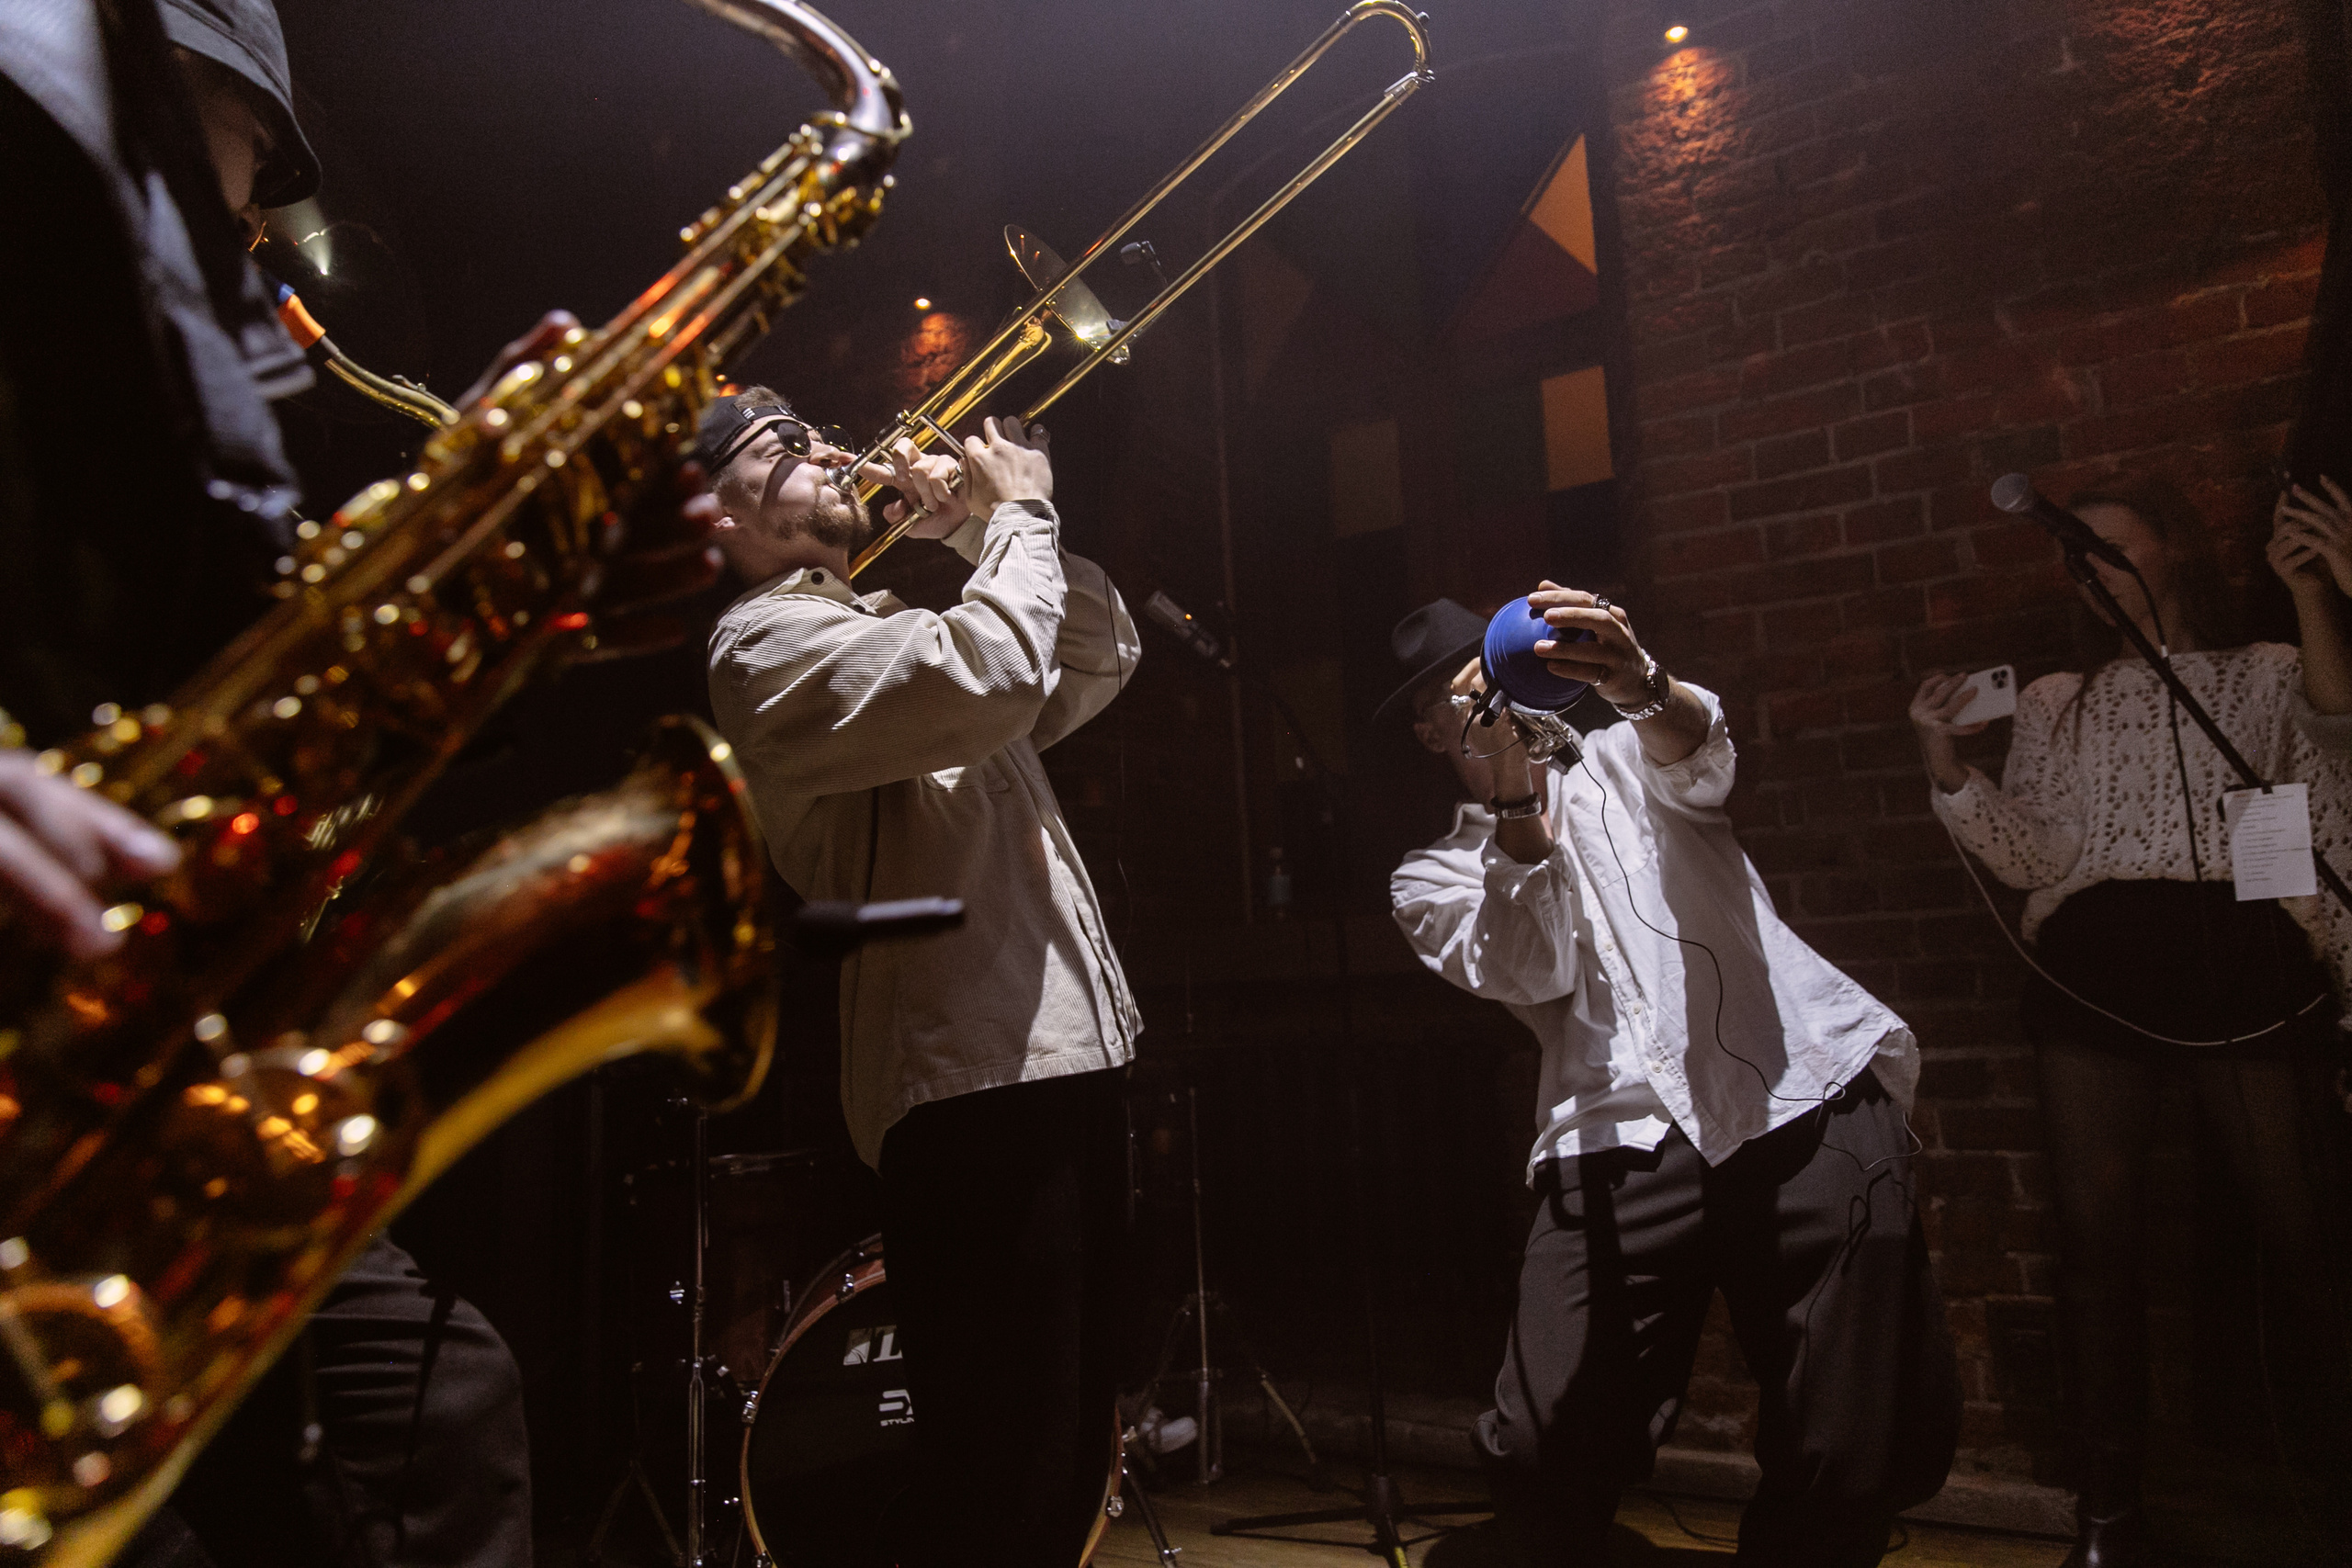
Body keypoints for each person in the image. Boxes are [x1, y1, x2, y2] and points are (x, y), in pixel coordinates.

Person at [0, 4, 718, 1562]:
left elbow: (185, 645)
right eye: (242, 167)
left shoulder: (145, 253)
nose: (251, 223)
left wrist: (509, 613)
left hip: (142, 1037)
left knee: (422, 1422)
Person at [1386, 587, 1958, 1568]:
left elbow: (1704, 757)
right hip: (1615, 1136)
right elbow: (1534, 966)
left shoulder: (1623, 753)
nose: (1492, 710)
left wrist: (1635, 681)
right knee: (1540, 1447)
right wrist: (1516, 798)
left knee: (1845, 1450)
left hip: (1799, 1091)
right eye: (1463, 701)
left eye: (1500, 680)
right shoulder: (1432, 877)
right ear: (1430, 729)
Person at [701, 394, 1139, 1567]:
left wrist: (975, 534)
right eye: (774, 444)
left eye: (806, 425)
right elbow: (993, 674)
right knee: (1000, 1466)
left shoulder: (897, 619)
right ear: (717, 516)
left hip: (1055, 1057)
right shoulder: (760, 647)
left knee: (1060, 1463)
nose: (818, 444)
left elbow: (1096, 651)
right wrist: (1018, 525)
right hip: (968, 1081)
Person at [1912, 474, 2352, 1568]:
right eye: (2078, 556)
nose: (2090, 568)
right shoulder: (2061, 698)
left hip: (2235, 957)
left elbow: (2333, 747)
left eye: (2109, 547)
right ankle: (2107, 1517)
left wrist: (2316, 593)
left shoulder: (2264, 673)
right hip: (2098, 963)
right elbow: (2041, 854)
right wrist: (1949, 769)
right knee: (2094, 1246)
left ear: (2173, 555)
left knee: (2304, 1237)